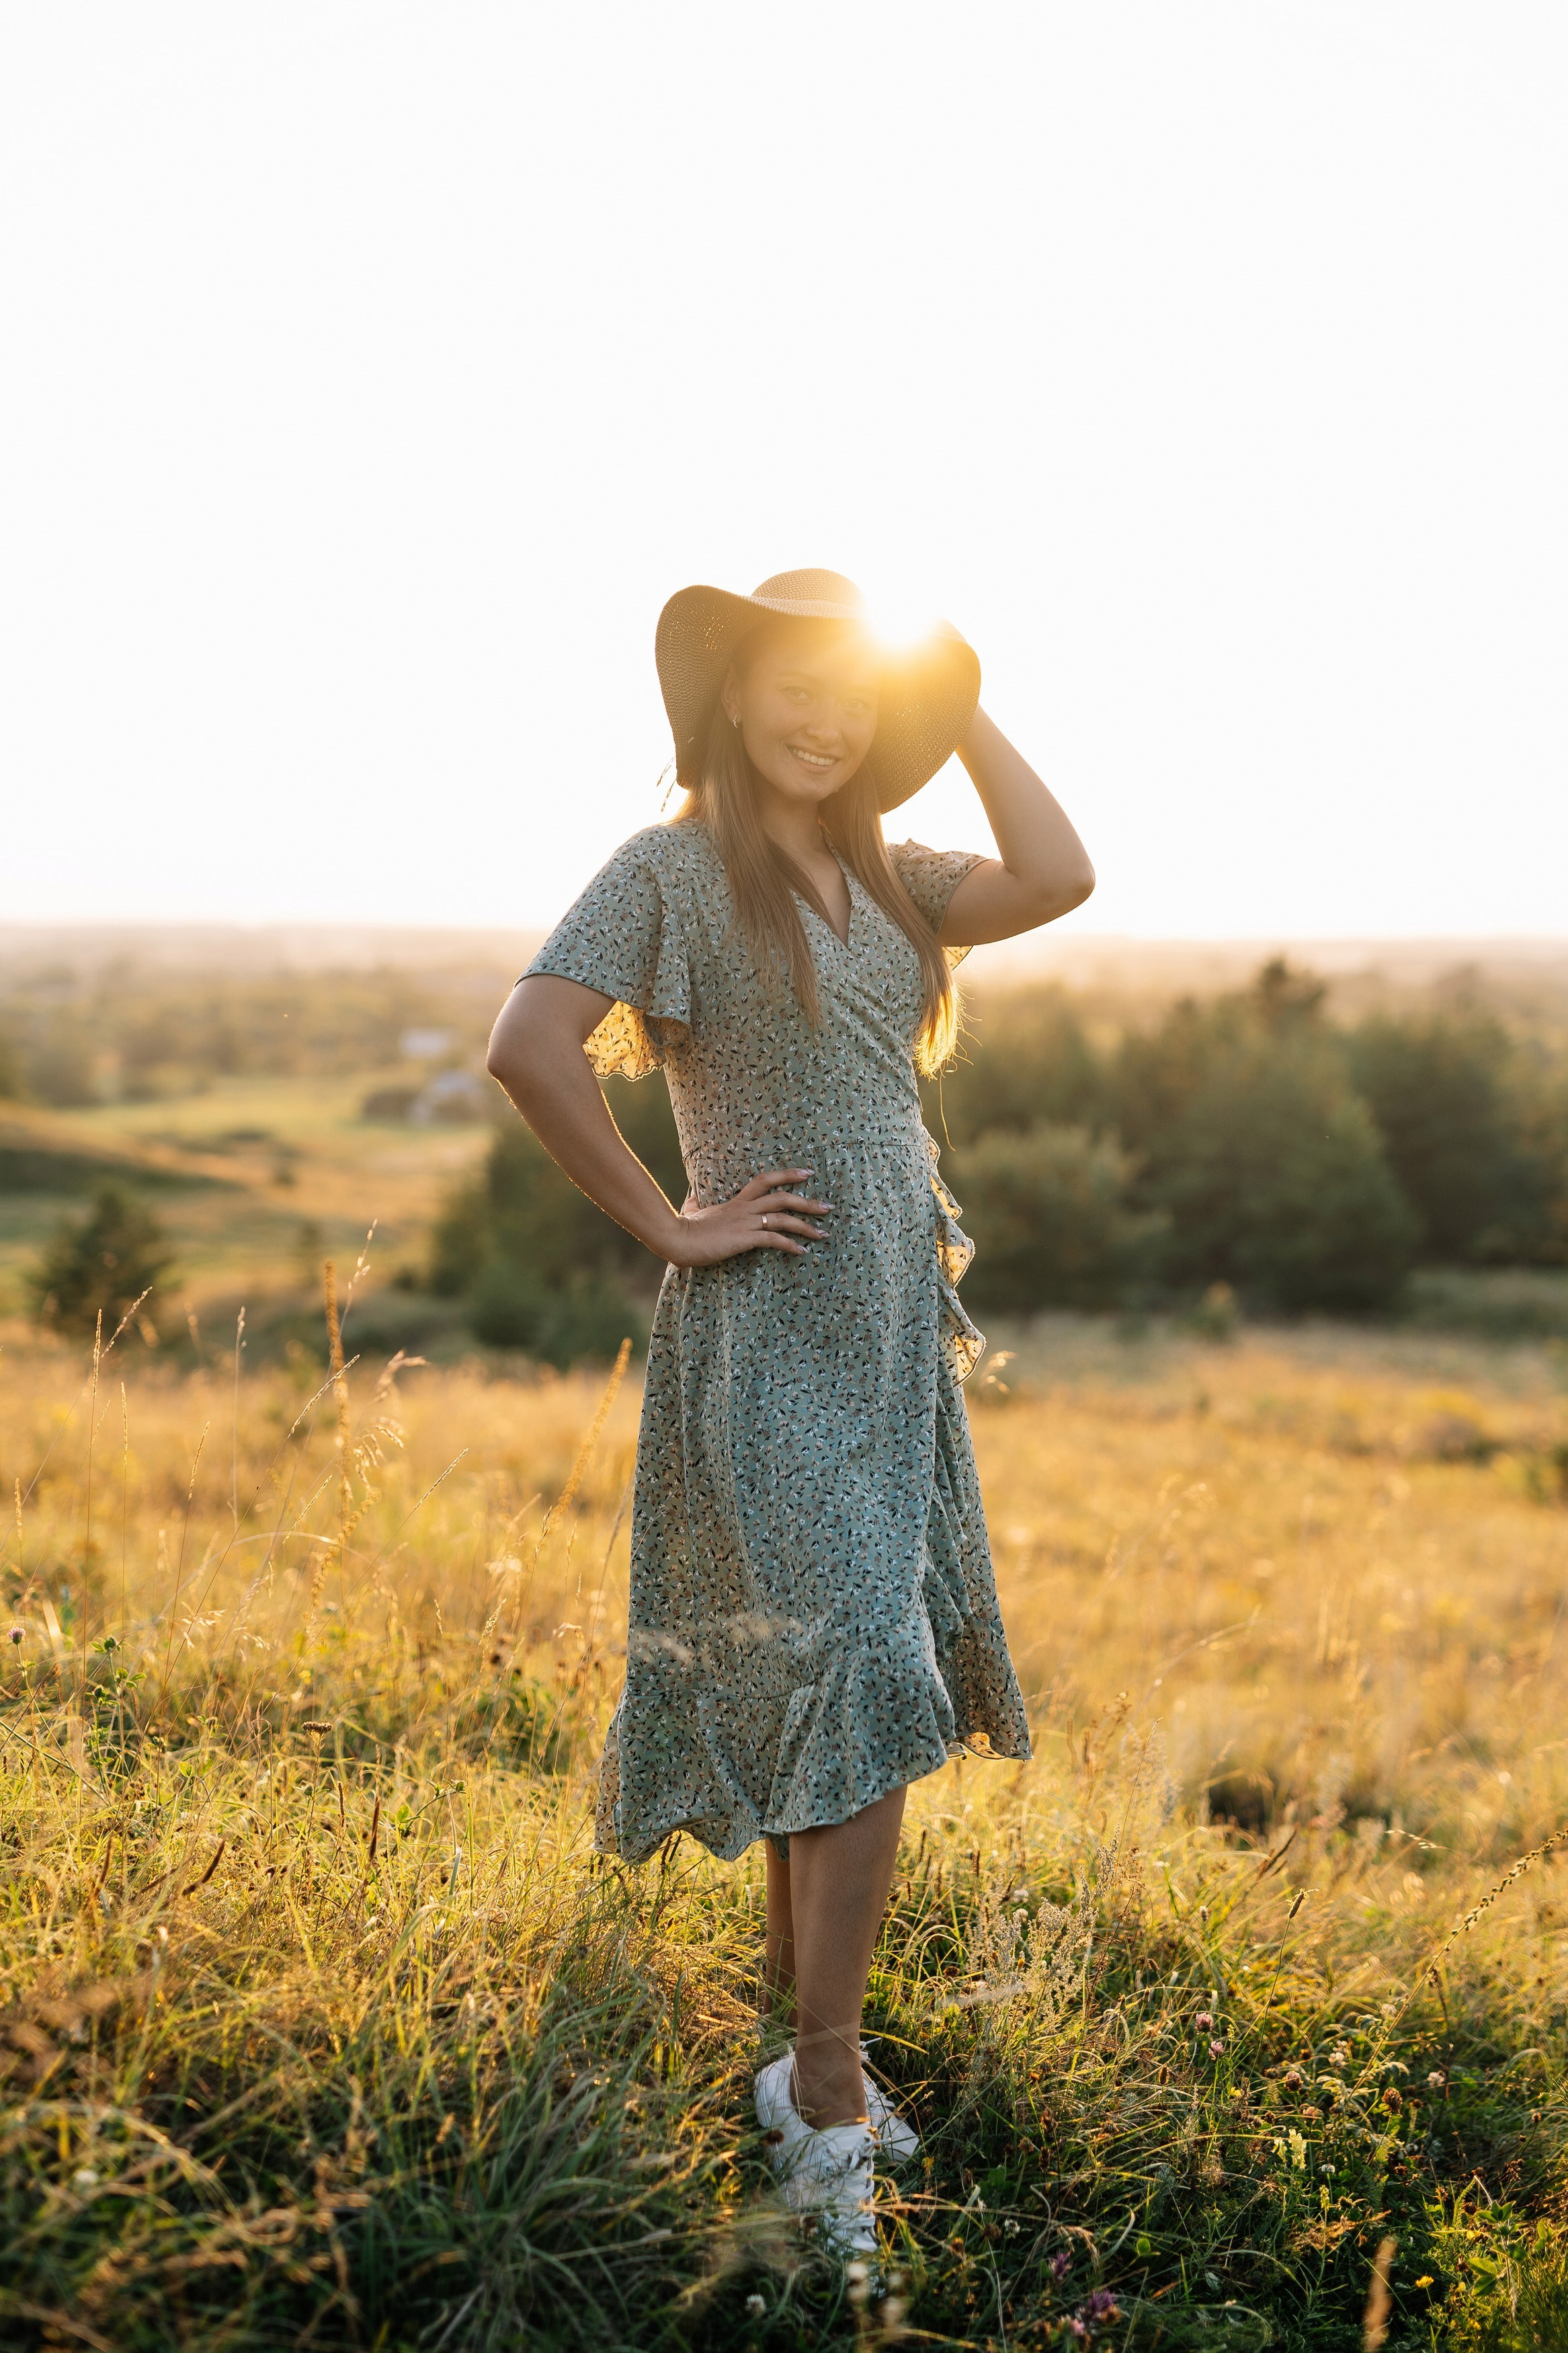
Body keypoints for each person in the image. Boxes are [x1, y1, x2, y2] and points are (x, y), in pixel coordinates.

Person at [487, 569, 1094, 2253]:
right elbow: (528, 1044)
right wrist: (675, 1220)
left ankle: (800, 2060)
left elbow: (1061, 872)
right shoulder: (670, 870)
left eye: (856, 689)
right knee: (868, 1670)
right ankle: (826, 2088)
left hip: (892, 1330)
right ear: (734, 694)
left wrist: (948, 698)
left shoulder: (895, 879)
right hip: (764, 1336)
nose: (826, 717)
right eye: (794, 684)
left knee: (832, 1674)